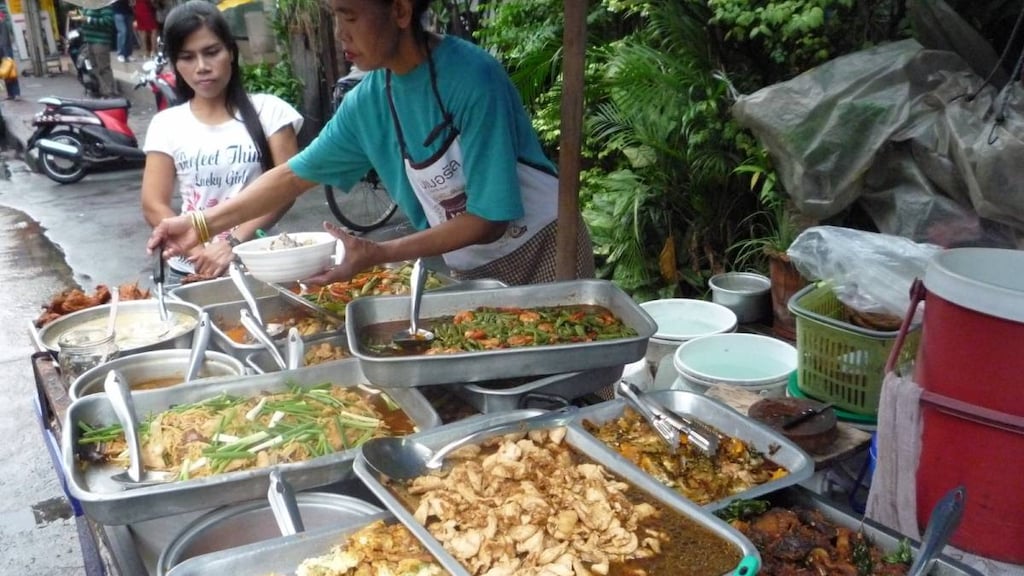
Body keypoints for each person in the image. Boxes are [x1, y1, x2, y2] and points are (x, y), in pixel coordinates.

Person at [148, 0, 594, 287]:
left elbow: (490, 218)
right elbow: (291, 176)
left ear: (400, 11)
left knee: (568, 386)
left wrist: (380, 253)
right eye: (335, 17)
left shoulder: (473, 77)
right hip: (470, 265)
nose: (341, 33)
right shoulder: (369, 101)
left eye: (350, 16)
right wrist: (201, 224)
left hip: (545, 248)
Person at [140, 0, 303, 280]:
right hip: (192, 267)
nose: (202, 67)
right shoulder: (166, 124)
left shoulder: (271, 112)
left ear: (231, 52)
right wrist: (199, 249)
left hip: (262, 262)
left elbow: (286, 190)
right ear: (176, 64)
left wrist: (232, 243)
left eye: (211, 52)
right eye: (187, 57)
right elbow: (153, 202)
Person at [79, 5, 117, 97]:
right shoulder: (88, 5)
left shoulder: (103, 5)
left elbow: (108, 21)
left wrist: (88, 19)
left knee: (103, 67)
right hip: (90, 40)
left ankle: (109, 92)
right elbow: (84, 17)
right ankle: (102, 89)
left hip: (100, 41)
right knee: (94, 66)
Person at [0, 9, 20, 101]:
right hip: (2, 51)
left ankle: (16, 93)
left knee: (11, 72)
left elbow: (5, 39)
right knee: (5, 73)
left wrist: (6, 54)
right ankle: (10, 93)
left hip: (5, 51)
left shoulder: (2, 23)